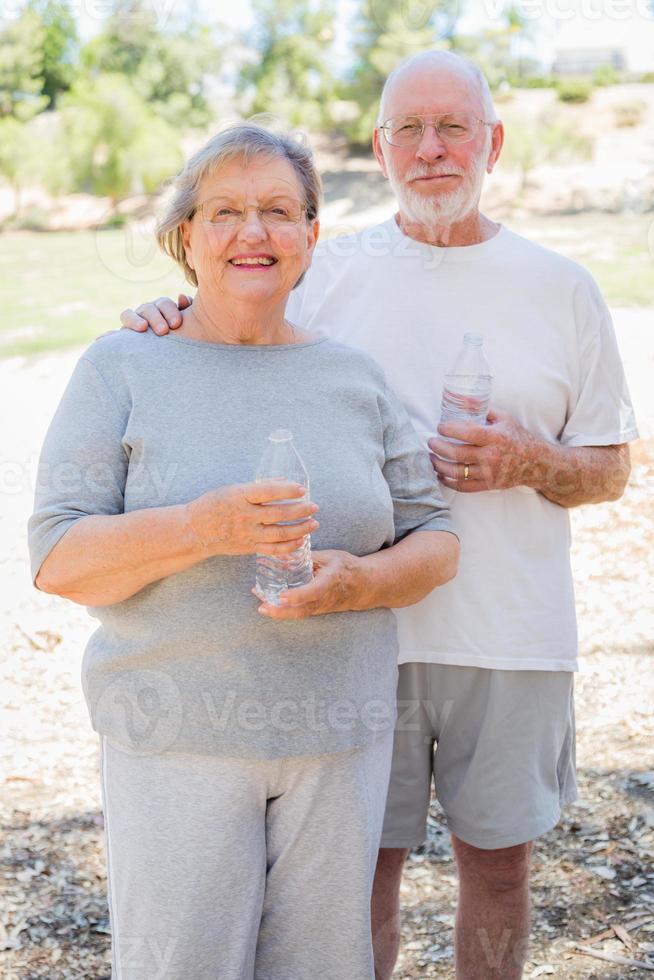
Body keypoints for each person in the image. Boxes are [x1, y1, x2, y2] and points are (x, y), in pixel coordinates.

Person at [119, 51, 638, 980]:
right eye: (410, 129)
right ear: (381, 146)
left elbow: (608, 471)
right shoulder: (328, 269)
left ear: (495, 142)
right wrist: (167, 315)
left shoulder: (562, 287)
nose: (432, 149)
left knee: (501, 872)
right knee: (354, 879)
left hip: (511, 635)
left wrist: (531, 459)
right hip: (353, 630)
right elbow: (229, 319)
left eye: (453, 128)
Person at [28, 123, 460, 980]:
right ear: (188, 236)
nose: (252, 233)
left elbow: (438, 539)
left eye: (277, 211)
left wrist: (359, 582)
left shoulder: (354, 377)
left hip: (338, 737)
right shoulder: (123, 365)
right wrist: (200, 529)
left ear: (310, 237)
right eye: (224, 211)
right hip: (175, 740)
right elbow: (57, 558)